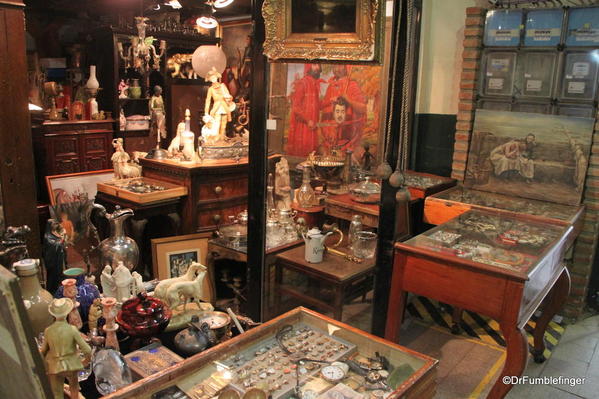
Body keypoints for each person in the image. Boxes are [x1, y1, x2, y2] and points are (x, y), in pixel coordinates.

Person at [41, 298, 92, 399]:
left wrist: (45, 367)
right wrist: (85, 361)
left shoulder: (48, 331)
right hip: (71, 364)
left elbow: (43, 351)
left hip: (55, 365)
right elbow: (87, 349)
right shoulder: (71, 329)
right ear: (67, 313)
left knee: (57, 393)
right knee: (74, 390)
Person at [321, 65, 367, 152]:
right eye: (335, 66)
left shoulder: (352, 85)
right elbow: (324, 111)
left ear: (346, 68)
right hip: (331, 136)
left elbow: (363, 108)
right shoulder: (331, 86)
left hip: (348, 135)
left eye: (340, 66)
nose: (336, 69)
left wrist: (348, 100)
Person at [286, 64, 323, 157]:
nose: (317, 68)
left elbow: (317, 106)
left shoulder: (314, 84)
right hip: (303, 126)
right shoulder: (303, 83)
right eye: (314, 65)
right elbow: (296, 107)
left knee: (312, 154)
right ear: (309, 66)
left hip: (312, 127)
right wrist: (308, 120)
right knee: (303, 155)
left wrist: (330, 101)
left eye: (318, 65)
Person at [204, 67, 236, 142]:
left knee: (224, 124)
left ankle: (222, 139)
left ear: (217, 77)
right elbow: (208, 101)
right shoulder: (210, 89)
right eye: (212, 78)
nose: (213, 79)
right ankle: (217, 139)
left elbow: (229, 96)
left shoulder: (222, 86)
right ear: (210, 79)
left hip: (224, 107)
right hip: (216, 108)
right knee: (216, 124)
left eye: (214, 77)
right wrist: (206, 112)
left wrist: (229, 98)